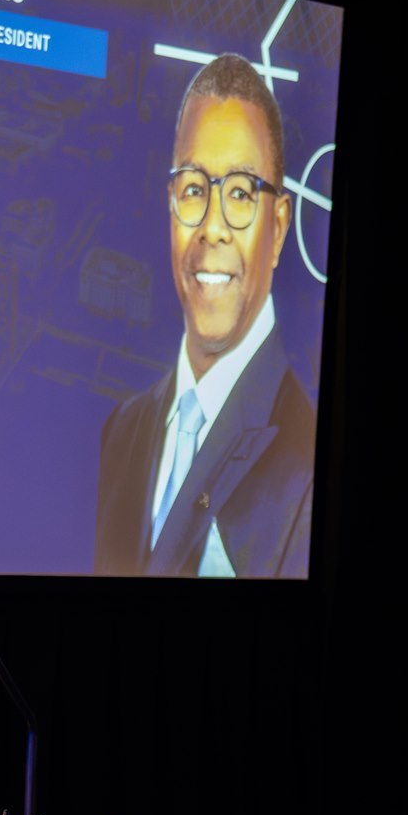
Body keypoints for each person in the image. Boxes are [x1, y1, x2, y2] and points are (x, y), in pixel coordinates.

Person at [94, 54, 316, 578]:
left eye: (240, 193)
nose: (212, 227)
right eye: (194, 189)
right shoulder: (122, 432)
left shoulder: (308, 467)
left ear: (279, 225)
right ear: (171, 204)